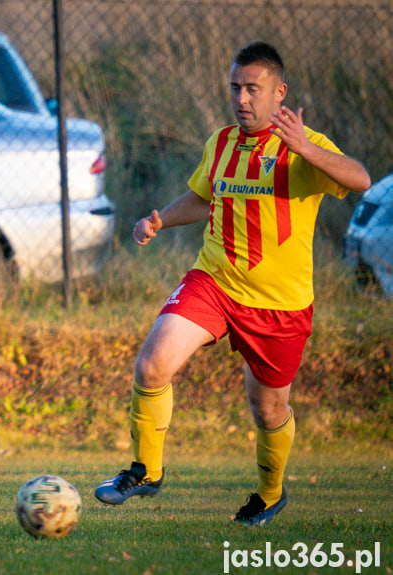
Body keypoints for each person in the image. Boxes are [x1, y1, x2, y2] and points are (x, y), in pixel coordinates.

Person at [93, 41, 371, 526]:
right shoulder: (221, 143)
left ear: (278, 93)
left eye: (253, 89)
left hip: (279, 305)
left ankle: (268, 494)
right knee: (153, 362)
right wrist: (160, 220)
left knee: (267, 409)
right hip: (215, 281)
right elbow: (206, 197)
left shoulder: (307, 146)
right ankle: (146, 470)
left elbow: (361, 178)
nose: (242, 99)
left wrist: (305, 148)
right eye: (235, 88)